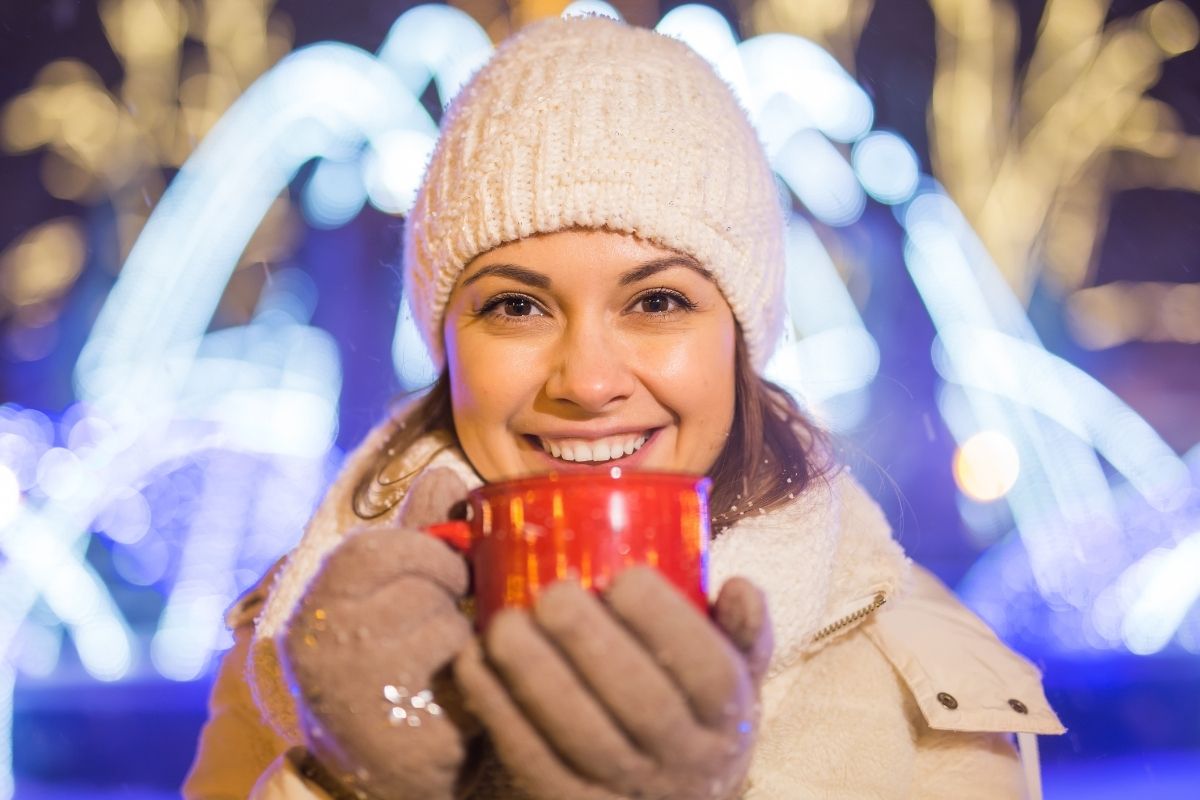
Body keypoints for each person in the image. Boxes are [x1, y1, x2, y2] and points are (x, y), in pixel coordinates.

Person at [183, 14, 1063, 800]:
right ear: (444, 342)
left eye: (657, 301)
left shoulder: (930, 680)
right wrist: (353, 782)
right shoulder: (300, 652)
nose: (588, 381)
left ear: (741, 338)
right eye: (516, 306)